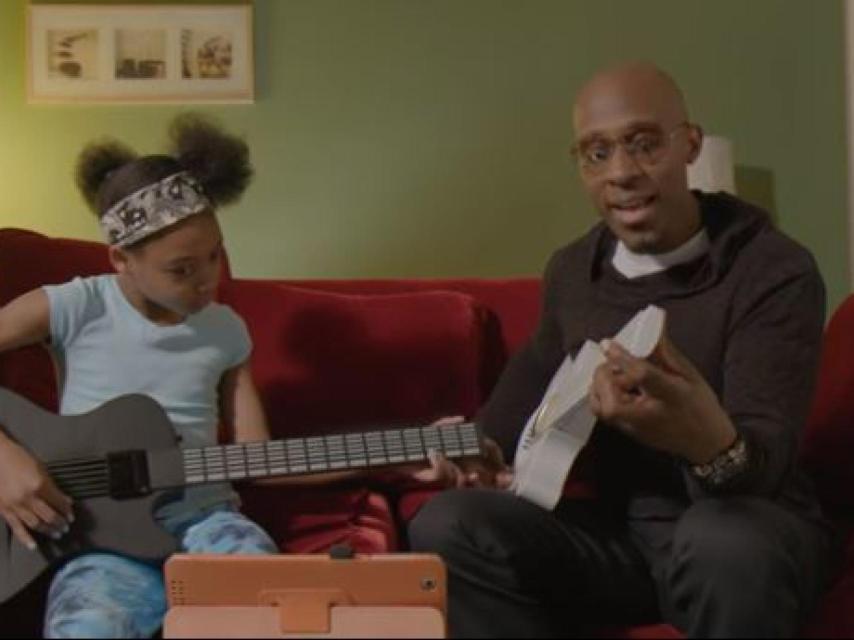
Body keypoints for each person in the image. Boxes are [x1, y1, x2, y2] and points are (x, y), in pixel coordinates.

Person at [408, 62, 838, 638]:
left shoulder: (772, 270)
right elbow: (504, 427)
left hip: (750, 529)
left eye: (643, 145)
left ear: (689, 144)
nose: (622, 173)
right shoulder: (573, 272)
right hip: (624, 542)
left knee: (723, 540)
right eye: (597, 152)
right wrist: (474, 457)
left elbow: (762, 469)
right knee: (448, 523)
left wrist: (695, 432)